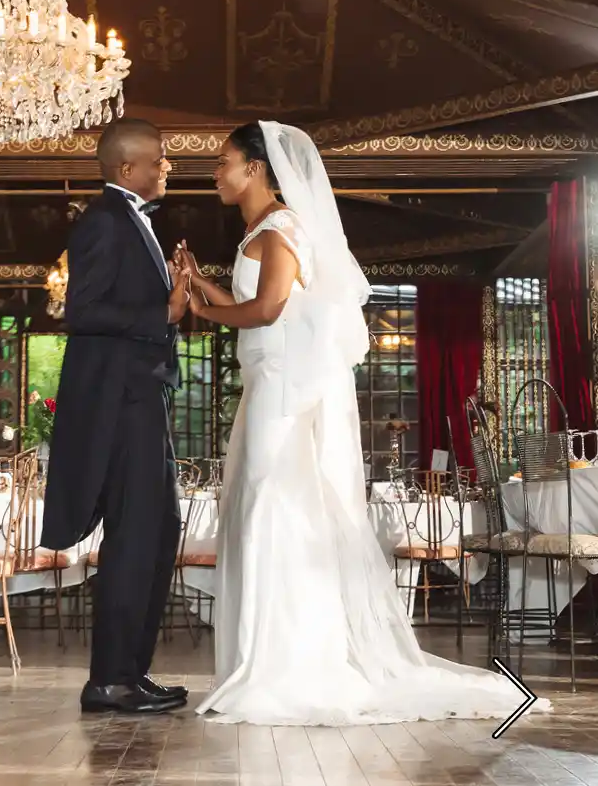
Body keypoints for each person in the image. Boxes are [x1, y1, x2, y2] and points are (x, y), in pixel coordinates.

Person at [177, 120, 551, 726]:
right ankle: (262, 656)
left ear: (256, 168)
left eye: (223, 162)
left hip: (280, 395)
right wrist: (203, 288)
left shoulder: (278, 229)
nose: (214, 172)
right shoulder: (260, 231)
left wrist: (205, 308)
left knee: (274, 511)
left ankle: (286, 664)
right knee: (256, 512)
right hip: (265, 388)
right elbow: (268, 309)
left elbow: (268, 310)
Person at [41, 118, 192, 715]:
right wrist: (166, 309)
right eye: (159, 160)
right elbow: (83, 310)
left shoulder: (134, 221)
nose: (166, 167)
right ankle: (108, 681)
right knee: (133, 541)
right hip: (121, 403)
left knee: (156, 537)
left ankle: (130, 671)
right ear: (128, 169)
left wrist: (170, 300)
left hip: (143, 399)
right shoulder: (103, 221)